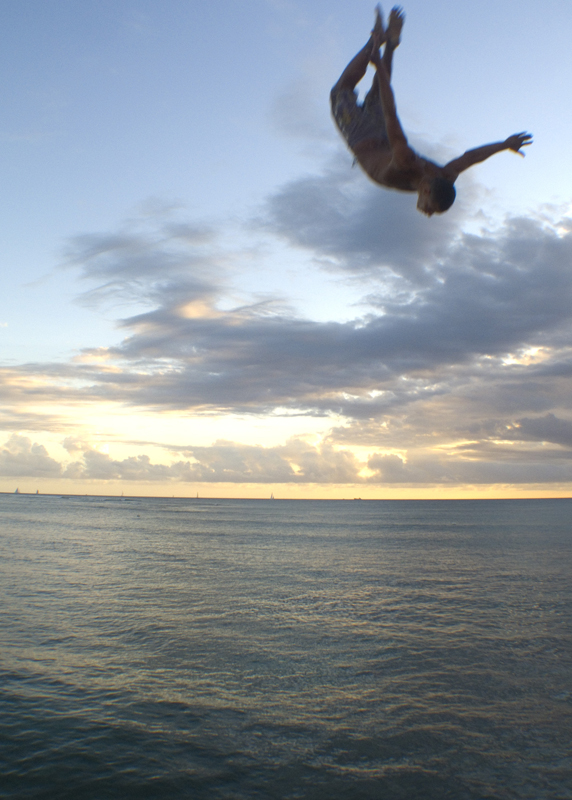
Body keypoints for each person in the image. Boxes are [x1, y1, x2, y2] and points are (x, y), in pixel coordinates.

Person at [330, 6, 532, 216]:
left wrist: (505, 145)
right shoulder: (404, 162)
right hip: (361, 135)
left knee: (378, 93)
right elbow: (391, 114)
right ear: (426, 190)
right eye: (430, 208)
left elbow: (471, 157)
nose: (428, 214)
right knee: (340, 92)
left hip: (379, 134)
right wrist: (378, 66)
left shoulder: (445, 175)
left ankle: (390, 43)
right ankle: (377, 41)